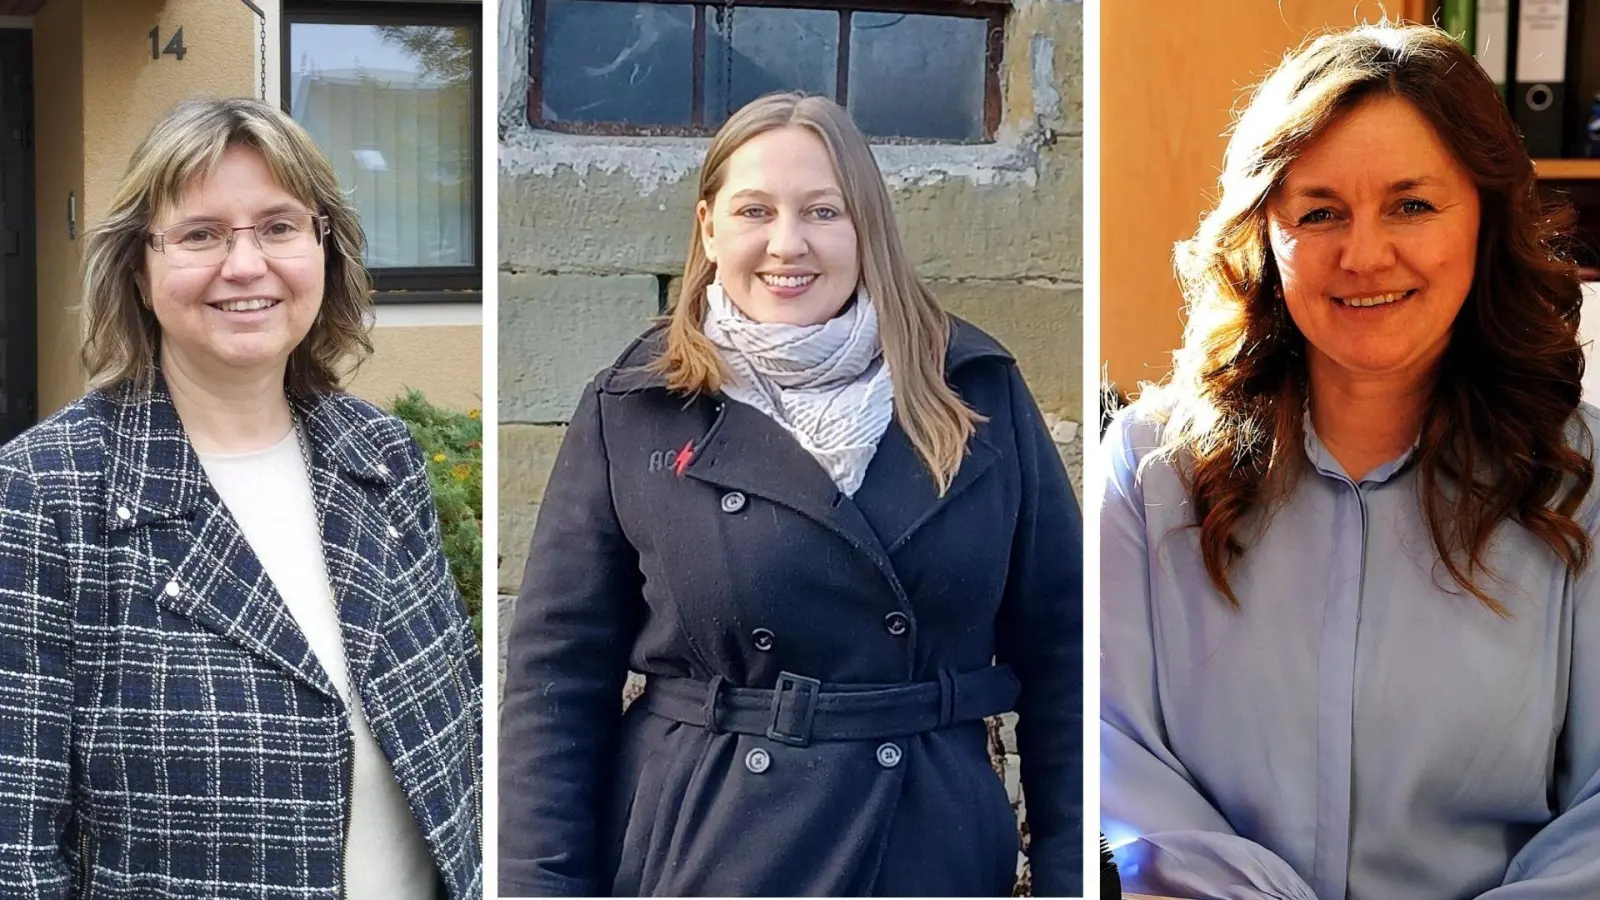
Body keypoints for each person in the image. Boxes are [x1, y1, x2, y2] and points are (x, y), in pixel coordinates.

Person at [498, 92, 1082, 897]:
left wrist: (1070, 877)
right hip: (707, 844)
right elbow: (555, 684)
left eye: (822, 211)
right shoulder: (636, 406)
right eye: (754, 211)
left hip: (927, 849)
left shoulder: (975, 393)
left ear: (866, 228)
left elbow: (1065, 660)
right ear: (709, 228)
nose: (787, 243)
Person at [1101, 23, 1600, 900]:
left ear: (1485, 218)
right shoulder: (1151, 468)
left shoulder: (1581, 476)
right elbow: (1118, 756)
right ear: (1265, 233)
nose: (1364, 255)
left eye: (1412, 205)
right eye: (1320, 212)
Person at [0, 97, 482, 898]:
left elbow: (460, 742)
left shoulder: (381, 455)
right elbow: (15, 853)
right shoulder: (43, 494)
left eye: (279, 226)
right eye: (201, 235)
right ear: (139, 270)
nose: (247, 264)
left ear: (324, 249)